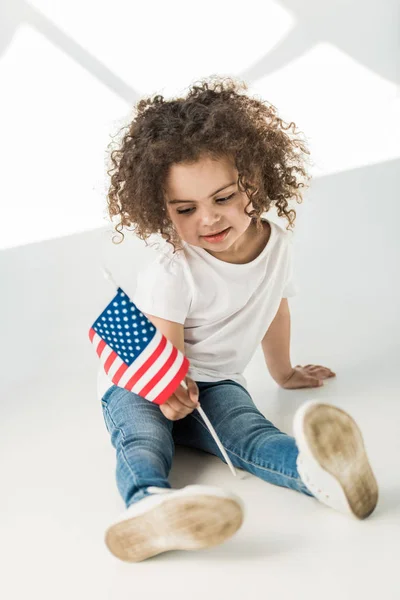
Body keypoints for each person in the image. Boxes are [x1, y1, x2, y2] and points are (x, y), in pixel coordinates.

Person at [98, 76, 379, 563]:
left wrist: (283, 372)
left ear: (253, 182)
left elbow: (274, 308)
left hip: (217, 381)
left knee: (250, 432)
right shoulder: (173, 269)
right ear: (160, 209)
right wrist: (167, 393)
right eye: (186, 209)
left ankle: (322, 476)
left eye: (223, 198)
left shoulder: (277, 246)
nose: (208, 219)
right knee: (142, 436)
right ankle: (148, 504)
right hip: (147, 379)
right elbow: (164, 351)